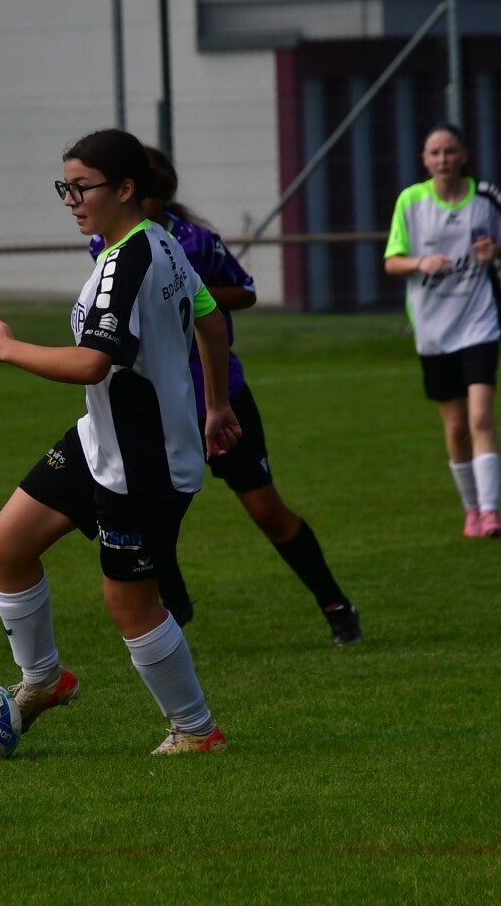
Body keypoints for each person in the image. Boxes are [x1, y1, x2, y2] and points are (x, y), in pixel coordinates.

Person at [0, 128, 241, 755]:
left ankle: (197, 732)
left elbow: (94, 363)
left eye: (81, 187)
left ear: (124, 189)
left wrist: (10, 349)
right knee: (6, 546)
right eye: (65, 187)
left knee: (129, 603)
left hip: (145, 463)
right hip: (101, 440)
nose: (70, 200)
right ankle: (43, 680)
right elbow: (209, 319)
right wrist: (217, 405)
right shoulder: (154, 241)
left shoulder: (129, 262)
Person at [87, 147, 363, 646]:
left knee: (266, 511)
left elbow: (244, 291)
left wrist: (187, 293)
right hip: (155, 409)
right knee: (148, 515)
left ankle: (337, 605)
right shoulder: (104, 245)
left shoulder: (191, 242)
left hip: (219, 397)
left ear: (148, 197)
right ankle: (173, 608)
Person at [382, 122, 501, 538]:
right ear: (425, 160)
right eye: (435, 153)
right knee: (456, 426)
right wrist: (420, 262)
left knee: (480, 416)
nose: (443, 159)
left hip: (479, 323)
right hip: (434, 330)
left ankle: (491, 513)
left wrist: (495, 250)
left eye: (450, 151)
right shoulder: (411, 201)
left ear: (464, 155)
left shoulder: (486, 198)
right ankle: (471, 510)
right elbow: (392, 261)